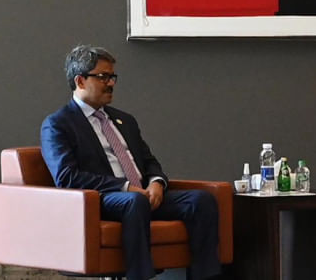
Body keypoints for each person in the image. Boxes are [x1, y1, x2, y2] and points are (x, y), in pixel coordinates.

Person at [40, 45, 221, 280]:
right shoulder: (58, 124)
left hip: (143, 195)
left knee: (201, 200)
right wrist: (125, 188)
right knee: (134, 202)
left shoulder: (124, 120)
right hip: (102, 199)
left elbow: (148, 161)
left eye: (112, 77)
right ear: (80, 81)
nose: (111, 83)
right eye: (103, 76)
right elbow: (67, 177)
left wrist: (156, 183)